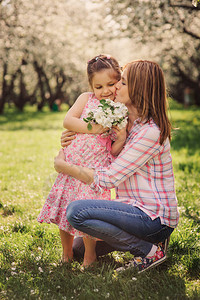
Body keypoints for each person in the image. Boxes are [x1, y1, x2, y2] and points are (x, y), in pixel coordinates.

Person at [54, 60, 179, 273]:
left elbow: (110, 178)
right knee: (77, 249)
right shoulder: (123, 120)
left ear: (139, 89)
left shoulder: (150, 132)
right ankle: (149, 243)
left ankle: (149, 251)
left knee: (76, 212)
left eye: (123, 82)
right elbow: (97, 143)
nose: (116, 87)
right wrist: (72, 138)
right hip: (129, 210)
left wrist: (64, 166)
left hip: (152, 217)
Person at [37, 54, 124, 267]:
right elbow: (68, 121)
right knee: (65, 209)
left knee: (87, 214)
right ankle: (67, 253)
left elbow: (113, 150)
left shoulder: (120, 108)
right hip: (72, 162)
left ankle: (89, 255)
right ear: (91, 86)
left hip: (93, 170)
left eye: (111, 84)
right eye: (99, 86)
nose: (105, 91)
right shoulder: (86, 99)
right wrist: (94, 129)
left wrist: (120, 137)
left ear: (119, 81)